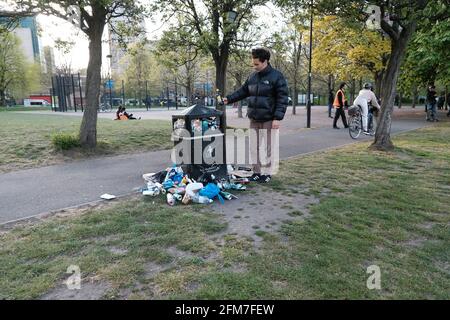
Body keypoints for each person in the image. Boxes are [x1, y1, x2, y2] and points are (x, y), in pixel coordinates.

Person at [223, 48, 289, 184]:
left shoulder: (277, 76)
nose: (254, 66)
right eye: (253, 64)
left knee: (269, 148)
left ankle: (267, 173)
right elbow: (243, 91)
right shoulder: (252, 77)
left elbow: (283, 98)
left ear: (265, 61)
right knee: (254, 147)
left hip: (269, 118)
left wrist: (277, 118)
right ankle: (256, 172)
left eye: (257, 64)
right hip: (254, 118)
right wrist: (228, 99)